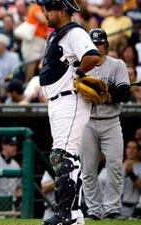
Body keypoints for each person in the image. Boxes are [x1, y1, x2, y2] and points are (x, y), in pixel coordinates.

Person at [36, 0, 102, 224]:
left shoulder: (74, 31)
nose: (45, 13)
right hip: (57, 101)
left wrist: (79, 73)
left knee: (64, 158)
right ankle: (74, 215)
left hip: (69, 100)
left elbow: (92, 56)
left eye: (48, 9)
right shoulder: (57, 34)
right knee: (65, 157)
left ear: (62, 10)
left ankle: (68, 214)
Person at [79, 28, 131, 220]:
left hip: (111, 122)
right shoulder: (81, 66)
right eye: (94, 44)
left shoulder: (117, 65)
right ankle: (93, 210)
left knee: (116, 166)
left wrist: (105, 93)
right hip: (87, 122)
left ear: (106, 45)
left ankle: (111, 209)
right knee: (88, 169)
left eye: (100, 44)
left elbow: (125, 92)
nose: (97, 47)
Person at [120, 140, 141, 218]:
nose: (131, 150)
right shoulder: (118, 166)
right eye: (129, 147)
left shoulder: (140, 167)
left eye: (134, 148)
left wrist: (131, 174)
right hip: (116, 207)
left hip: (133, 207)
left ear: (138, 151)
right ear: (125, 150)